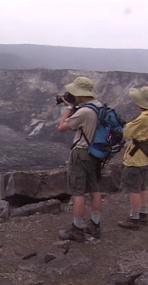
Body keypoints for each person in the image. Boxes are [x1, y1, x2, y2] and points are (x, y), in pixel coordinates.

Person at [56, 76, 104, 242]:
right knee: (95, 190)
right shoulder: (100, 107)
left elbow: (62, 127)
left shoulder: (84, 111)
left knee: (78, 193)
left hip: (81, 152)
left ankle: (77, 230)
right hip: (96, 154)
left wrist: (69, 108)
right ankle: (95, 225)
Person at [117, 86, 148, 230]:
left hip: (136, 159)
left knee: (134, 189)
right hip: (147, 158)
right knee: (143, 186)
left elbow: (127, 133)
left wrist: (125, 126)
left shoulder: (144, 118)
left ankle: (134, 218)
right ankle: (143, 214)